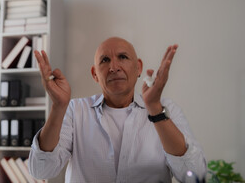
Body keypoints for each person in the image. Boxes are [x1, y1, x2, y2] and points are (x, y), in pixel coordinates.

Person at [28, 37, 207, 183]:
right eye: (105, 60)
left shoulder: (167, 111)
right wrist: (58, 107)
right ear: (94, 74)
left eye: (123, 57)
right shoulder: (75, 111)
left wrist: (155, 111)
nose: (114, 67)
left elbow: (195, 175)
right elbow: (41, 169)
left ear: (139, 67)